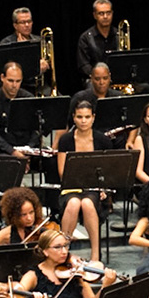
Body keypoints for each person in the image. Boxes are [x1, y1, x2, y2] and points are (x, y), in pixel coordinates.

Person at [55, 101, 116, 261]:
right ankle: (63, 251)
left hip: (94, 189)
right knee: (74, 203)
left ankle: (96, 255)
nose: (83, 121)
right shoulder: (66, 140)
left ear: (93, 118)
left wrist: (103, 188)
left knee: (88, 204)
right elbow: (63, 172)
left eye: (87, 117)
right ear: (74, 118)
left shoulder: (102, 140)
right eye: (80, 117)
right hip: (71, 187)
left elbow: (108, 171)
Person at [0, 62, 42, 165]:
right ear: (2, 78)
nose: (14, 85)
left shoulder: (28, 98)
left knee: (51, 162)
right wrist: (13, 152)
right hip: (4, 150)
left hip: (28, 149)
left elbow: (36, 128)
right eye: (10, 81)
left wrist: (29, 149)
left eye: (18, 81)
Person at [76, 0, 117, 78]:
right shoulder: (85, 38)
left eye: (108, 13)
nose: (105, 16)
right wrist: (102, 77)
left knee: (144, 86)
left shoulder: (119, 35)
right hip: (95, 79)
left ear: (112, 13)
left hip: (116, 77)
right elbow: (84, 65)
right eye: (101, 13)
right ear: (94, 15)